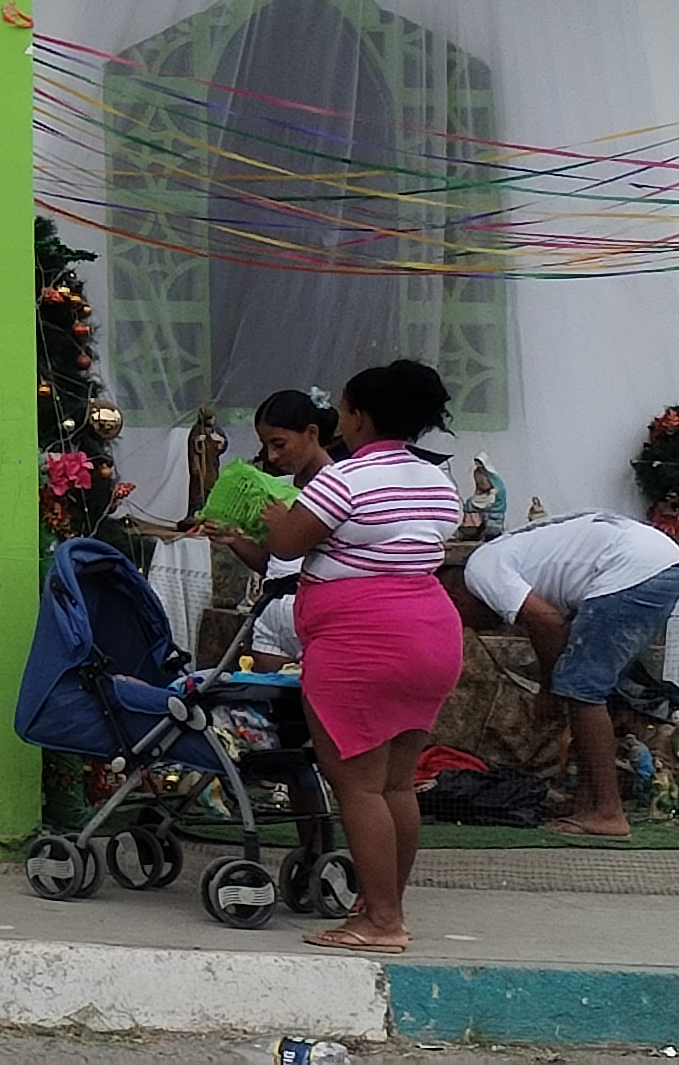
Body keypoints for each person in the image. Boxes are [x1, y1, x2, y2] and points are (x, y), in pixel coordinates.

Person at [259, 358, 466, 954]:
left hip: (362, 642)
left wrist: (277, 518)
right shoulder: (436, 481)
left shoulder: (345, 478)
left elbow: (288, 545)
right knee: (398, 784)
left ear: (359, 417)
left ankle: (381, 921)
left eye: (345, 408)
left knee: (358, 785)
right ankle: (382, 905)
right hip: (431, 633)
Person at [459, 510, 679, 840]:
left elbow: (548, 622)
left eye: (466, 621)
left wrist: (548, 689)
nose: (481, 626)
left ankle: (608, 813)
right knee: (588, 688)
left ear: (451, 590)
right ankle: (588, 803)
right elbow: (551, 622)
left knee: (581, 689)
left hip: (631, 569)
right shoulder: (509, 553)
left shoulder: (479, 570)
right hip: (658, 564)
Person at [197, 389, 335, 660]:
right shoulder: (275, 488)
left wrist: (289, 524)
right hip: (270, 617)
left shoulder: (340, 488)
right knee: (264, 687)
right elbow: (272, 563)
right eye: (266, 446)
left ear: (311, 433)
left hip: (316, 615)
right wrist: (233, 538)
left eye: (279, 444)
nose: (272, 456)